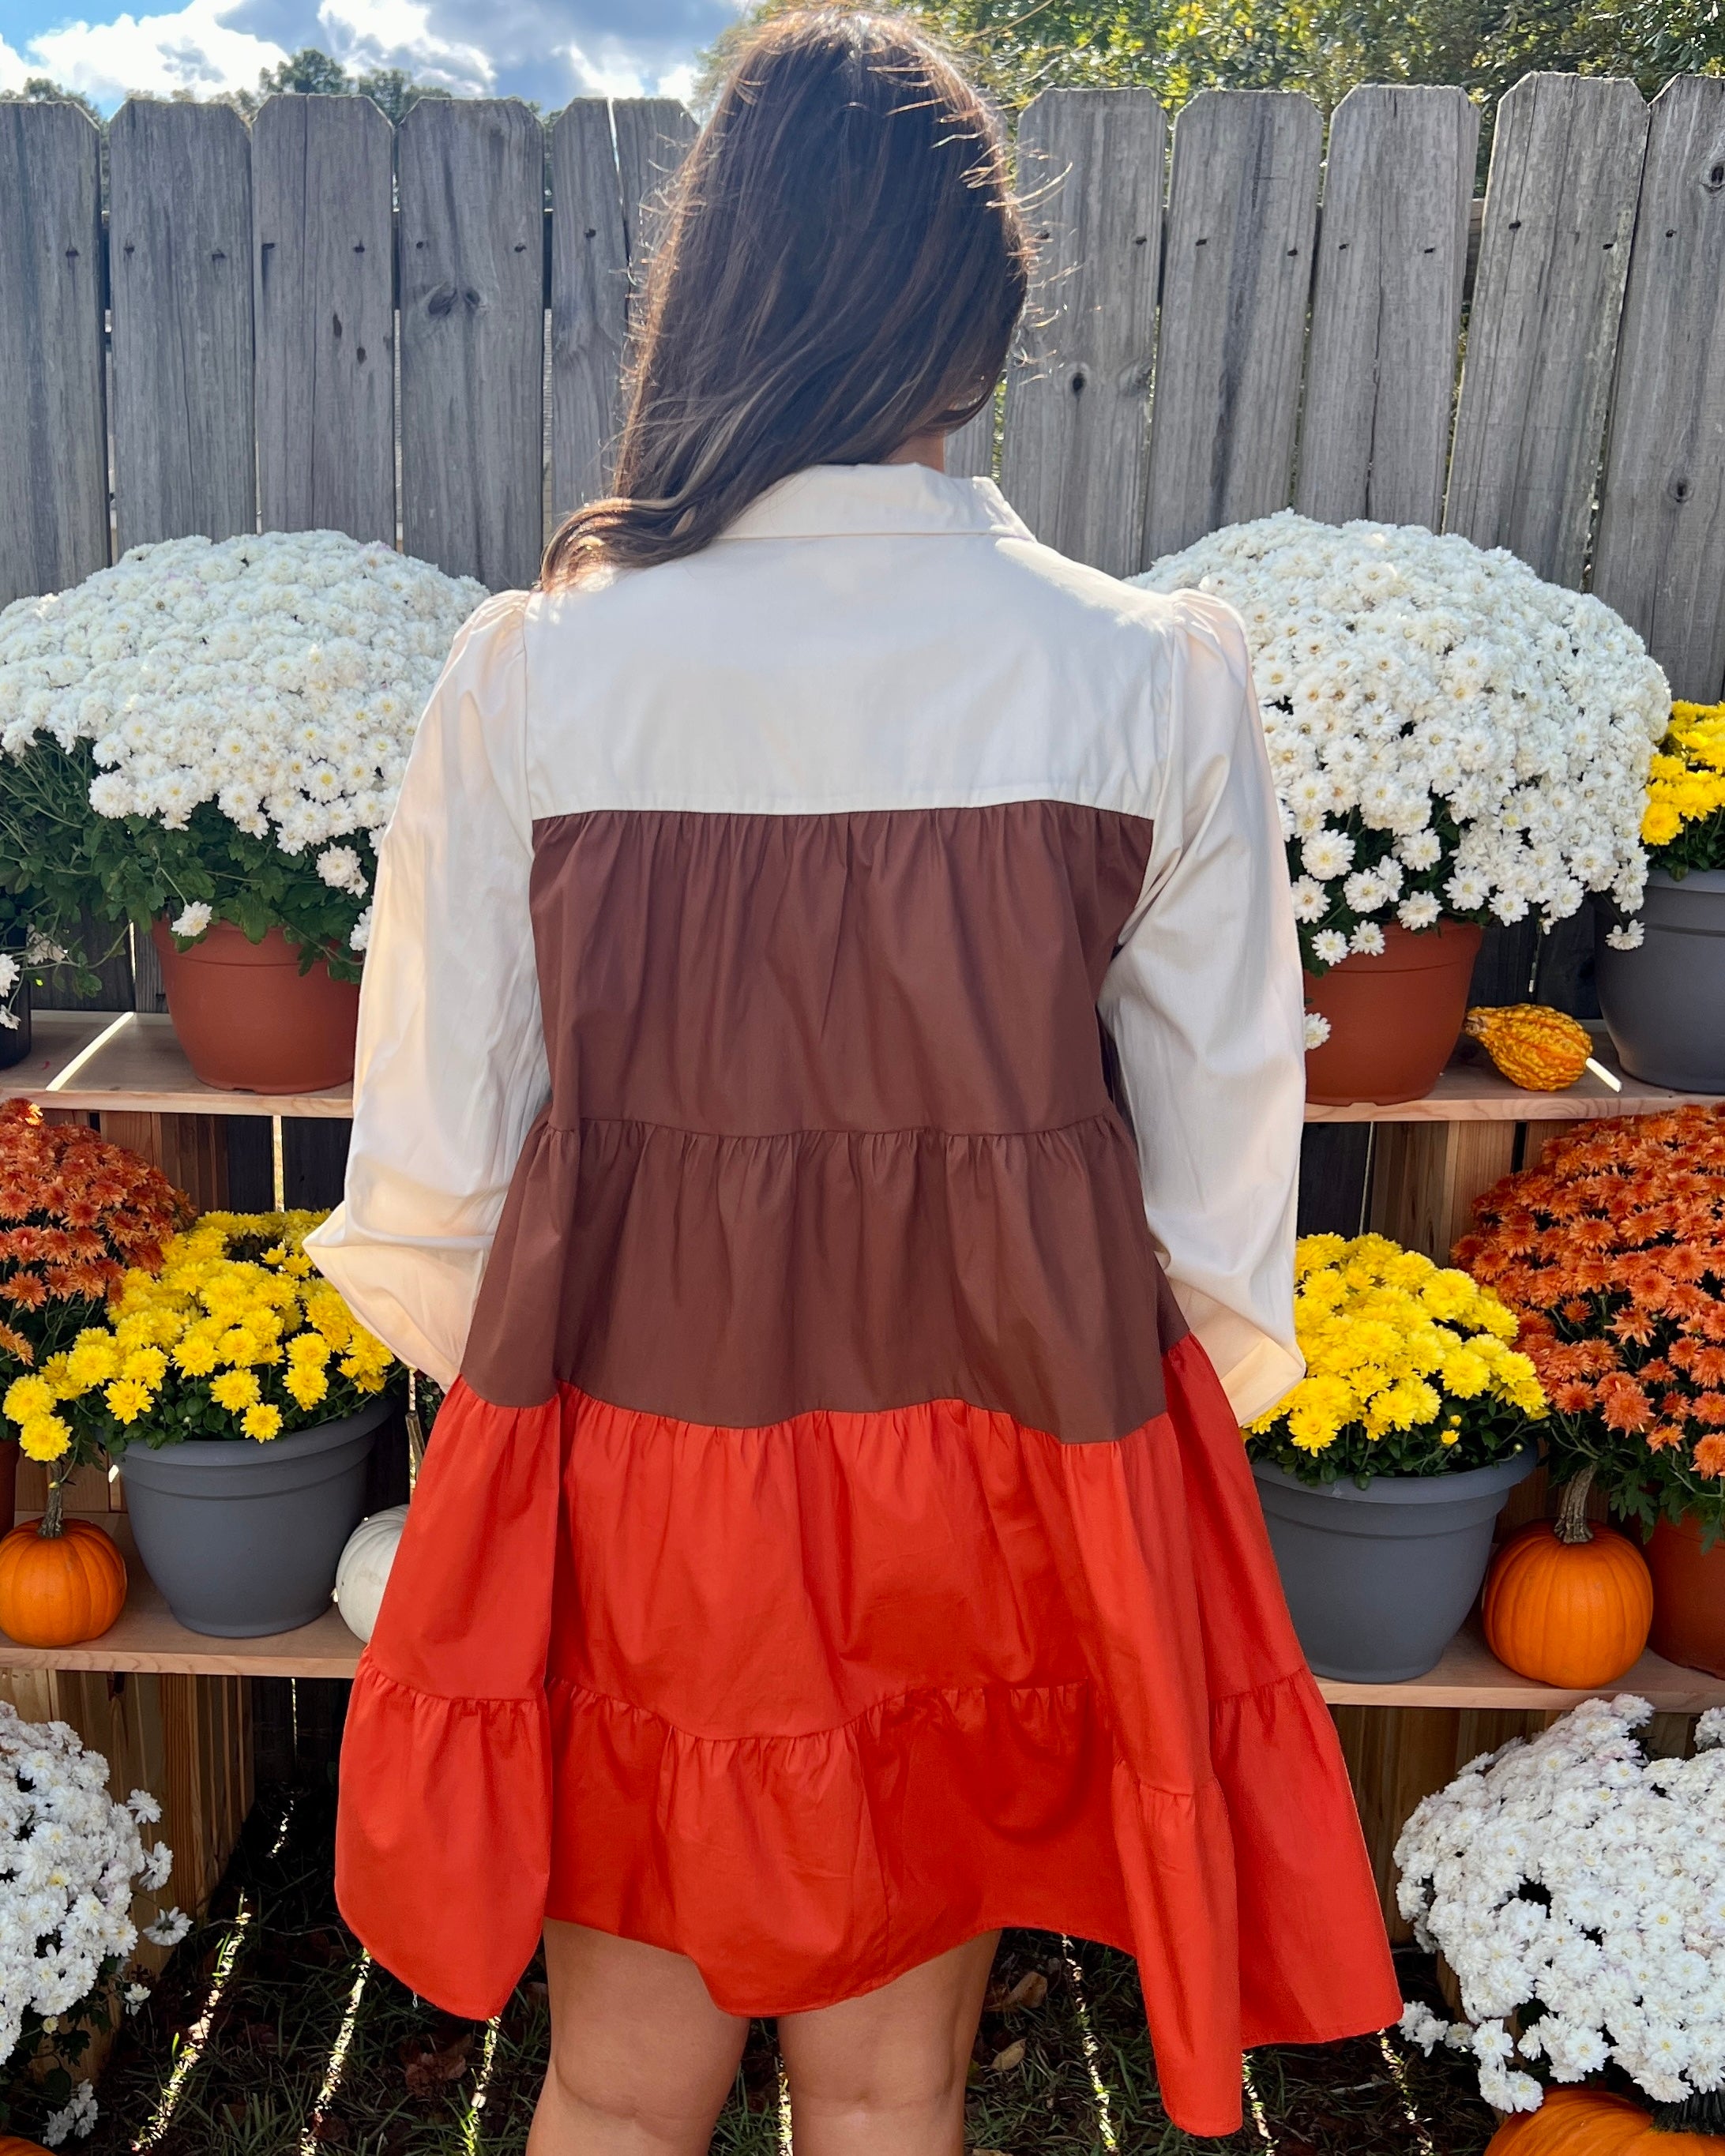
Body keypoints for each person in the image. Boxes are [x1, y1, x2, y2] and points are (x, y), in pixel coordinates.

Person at [305, 11, 1402, 2152]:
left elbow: (431, 1173)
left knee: (619, 2095)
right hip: (991, 1479)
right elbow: (1218, 1192)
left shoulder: (537, 666)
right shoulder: (1151, 670)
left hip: (637, 1479)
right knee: (890, 2091)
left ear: (715, 283)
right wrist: (1090, 1442)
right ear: (982, 305)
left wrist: (566, 1429)